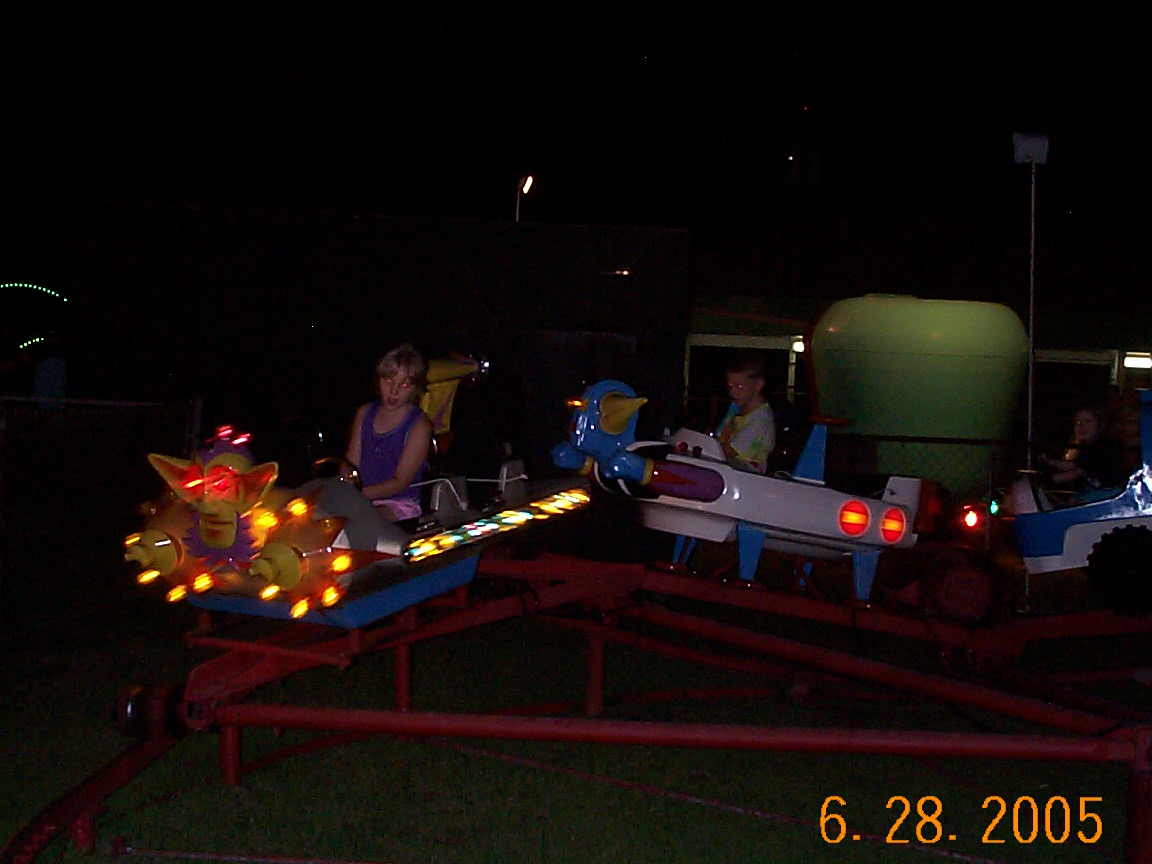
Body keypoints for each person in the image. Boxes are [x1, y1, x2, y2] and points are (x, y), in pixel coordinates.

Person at [345, 343, 433, 521]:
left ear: (415, 388)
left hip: (399, 503)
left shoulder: (419, 426)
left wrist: (359, 494)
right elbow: (350, 464)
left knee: (361, 521)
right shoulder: (364, 413)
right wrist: (344, 485)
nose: (394, 391)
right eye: (389, 381)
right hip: (361, 499)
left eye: (404, 384)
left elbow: (400, 482)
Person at [1042, 407, 1127, 497]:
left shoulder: (1103, 447)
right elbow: (1075, 465)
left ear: (1099, 425)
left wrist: (1048, 481)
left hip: (1107, 495)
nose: (1082, 427)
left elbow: (1077, 471)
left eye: (1088, 422)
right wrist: (1048, 461)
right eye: (1078, 423)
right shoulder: (1087, 447)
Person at [714, 354, 775, 474]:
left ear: (759, 385)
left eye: (739, 386)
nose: (733, 392)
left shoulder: (761, 418)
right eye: (730, 386)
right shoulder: (735, 407)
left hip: (747, 475)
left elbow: (731, 451)